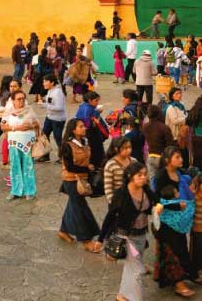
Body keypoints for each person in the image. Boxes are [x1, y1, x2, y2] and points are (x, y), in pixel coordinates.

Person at [103, 162, 158, 301]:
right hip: (127, 237)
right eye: (139, 175)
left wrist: (172, 206)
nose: (143, 177)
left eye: (145, 174)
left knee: (130, 267)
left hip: (141, 235)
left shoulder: (145, 189)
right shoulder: (121, 194)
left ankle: (122, 295)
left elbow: (156, 202)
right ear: (130, 176)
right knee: (138, 270)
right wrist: (100, 239)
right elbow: (110, 216)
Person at [58, 118, 103, 252]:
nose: (84, 128)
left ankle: (63, 230)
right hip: (71, 180)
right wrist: (87, 169)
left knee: (73, 205)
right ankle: (86, 240)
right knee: (80, 208)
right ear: (73, 130)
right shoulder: (67, 146)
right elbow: (70, 167)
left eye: (84, 126)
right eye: (81, 126)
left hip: (82, 180)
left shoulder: (85, 142)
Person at [1, 89, 39, 200]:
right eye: (18, 99)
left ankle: (30, 191)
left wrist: (30, 126)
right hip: (14, 143)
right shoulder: (8, 112)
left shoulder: (29, 110)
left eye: (23, 99)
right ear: (13, 101)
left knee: (28, 166)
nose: (21, 101)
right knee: (15, 166)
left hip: (28, 143)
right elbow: (3, 126)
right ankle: (16, 191)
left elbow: (37, 124)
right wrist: (15, 128)